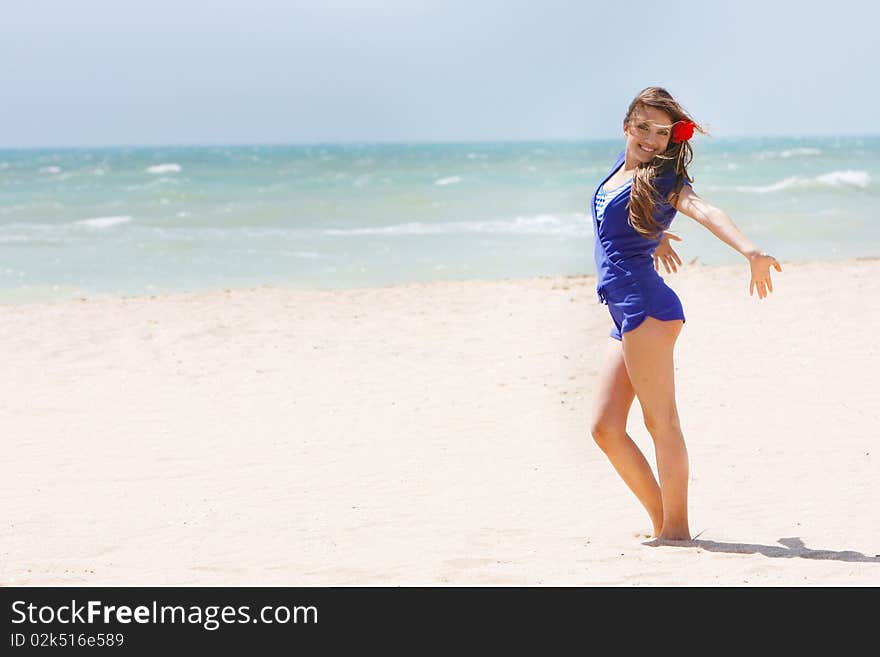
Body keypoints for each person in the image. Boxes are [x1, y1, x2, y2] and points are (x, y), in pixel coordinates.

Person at [589, 87, 782, 541]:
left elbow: (704, 209)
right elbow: (614, 225)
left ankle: (675, 530)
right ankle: (664, 523)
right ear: (626, 126)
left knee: (661, 422)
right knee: (605, 428)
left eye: (662, 132)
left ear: (671, 139)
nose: (651, 139)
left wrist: (749, 250)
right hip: (624, 310)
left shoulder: (663, 179)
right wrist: (651, 235)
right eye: (643, 128)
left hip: (646, 308)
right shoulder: (624, 173)